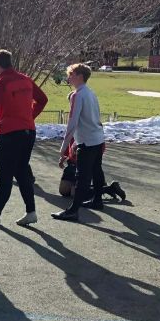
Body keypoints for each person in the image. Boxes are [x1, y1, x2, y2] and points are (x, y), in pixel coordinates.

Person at [0, 49, 47, 227]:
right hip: (28, 131)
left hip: (10, 133)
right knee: (22, 172)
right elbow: (43, 99)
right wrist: (30, 116)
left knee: (5, 176)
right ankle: (31, 212)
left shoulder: (0, 83)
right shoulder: (26, 79)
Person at [52, 63, 107, 221]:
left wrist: (63, 148)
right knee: (96, 171)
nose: (68, 77)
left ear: (80, 76)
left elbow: (72, 123)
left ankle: (73, 210)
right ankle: (97, 200)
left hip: (87, 141)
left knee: (82, 176)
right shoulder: (90, 93)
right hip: (96, 138)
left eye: (71, 74)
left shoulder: (77, 95)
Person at [58, 138, 126, 201]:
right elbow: (68, 140)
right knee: (64, 191)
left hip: (84, 166)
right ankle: (102, 188)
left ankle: (110, 188)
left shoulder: (94, 131)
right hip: (72, 164)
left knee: (76, 194)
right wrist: (63, 157)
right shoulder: (75, 128)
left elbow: (99, 150)